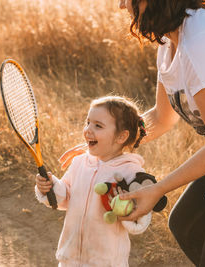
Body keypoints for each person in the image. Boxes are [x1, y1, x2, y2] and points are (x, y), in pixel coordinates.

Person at [62, 1, 205, 266]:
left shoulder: (202, 43)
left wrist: (157, 189)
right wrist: (103, 143)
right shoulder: (169, 42)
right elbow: (161, 118)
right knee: (186, 225)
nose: (122, 5)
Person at [35, 96, 152, 267]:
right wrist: (50, 186)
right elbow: (64, 197)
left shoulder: (131, 173)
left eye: (98, 125)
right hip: (70, 260)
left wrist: (124, 210)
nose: (88, 129)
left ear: (121, 136)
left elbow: (140, 223)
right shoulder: (79, 163)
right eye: (87, 122)